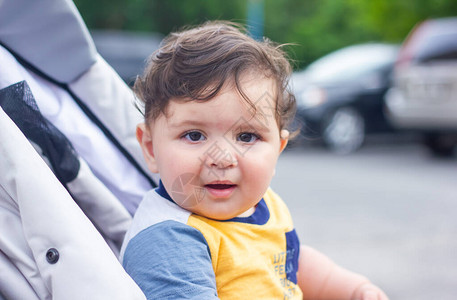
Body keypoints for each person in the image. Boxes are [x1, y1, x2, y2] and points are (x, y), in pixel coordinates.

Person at [120, 21, 389, 300]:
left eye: (247, 137)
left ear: (278, 148)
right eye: (195, 135)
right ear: (151, 148)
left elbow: (292, 264)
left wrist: (355, 289)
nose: (222, 158)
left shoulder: (263, 204)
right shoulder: (169, 240)